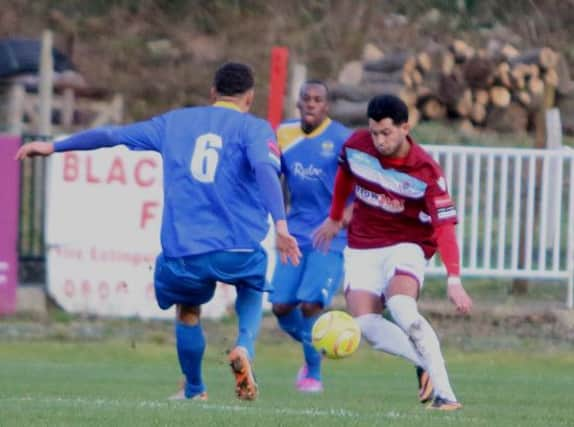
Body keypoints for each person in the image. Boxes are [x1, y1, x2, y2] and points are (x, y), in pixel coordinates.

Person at [15, 62, 301, 402]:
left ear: (213, 92)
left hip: (186, 252)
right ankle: (244, 346)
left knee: (188, 309)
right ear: (250, 97)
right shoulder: (255, 129)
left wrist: (53, 147)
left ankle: (194, 388)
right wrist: (281, 226)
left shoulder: (175, 123)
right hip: (238, 247)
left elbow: (112, 136)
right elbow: (266, 171)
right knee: (252, 283)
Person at [313, 94, 472, 410]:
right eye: (374, 132)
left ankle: (447, 395)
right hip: (362, 246)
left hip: (407, 245)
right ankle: (423, 364)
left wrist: (454, 278)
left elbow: (444, 227)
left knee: (401, 307)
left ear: (405, 128)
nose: (379, 140)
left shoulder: (427, 172)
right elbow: (345, 175)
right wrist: (334, 217)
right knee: (367, 325)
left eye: (386, 133)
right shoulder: (357, 147)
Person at [270, 80, 352, 393]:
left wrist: (339, 220)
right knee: (281, 307)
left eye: (318, 99)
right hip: (296, 232)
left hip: (331, 236)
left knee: (309, 305)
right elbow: (269, 176)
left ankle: (313, 375)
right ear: (299, 103)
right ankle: (319, 341)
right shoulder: (283, 134)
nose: (312, 104)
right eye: (306, 98)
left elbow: (362, 192)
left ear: (326, 106)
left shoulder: (343, 139)